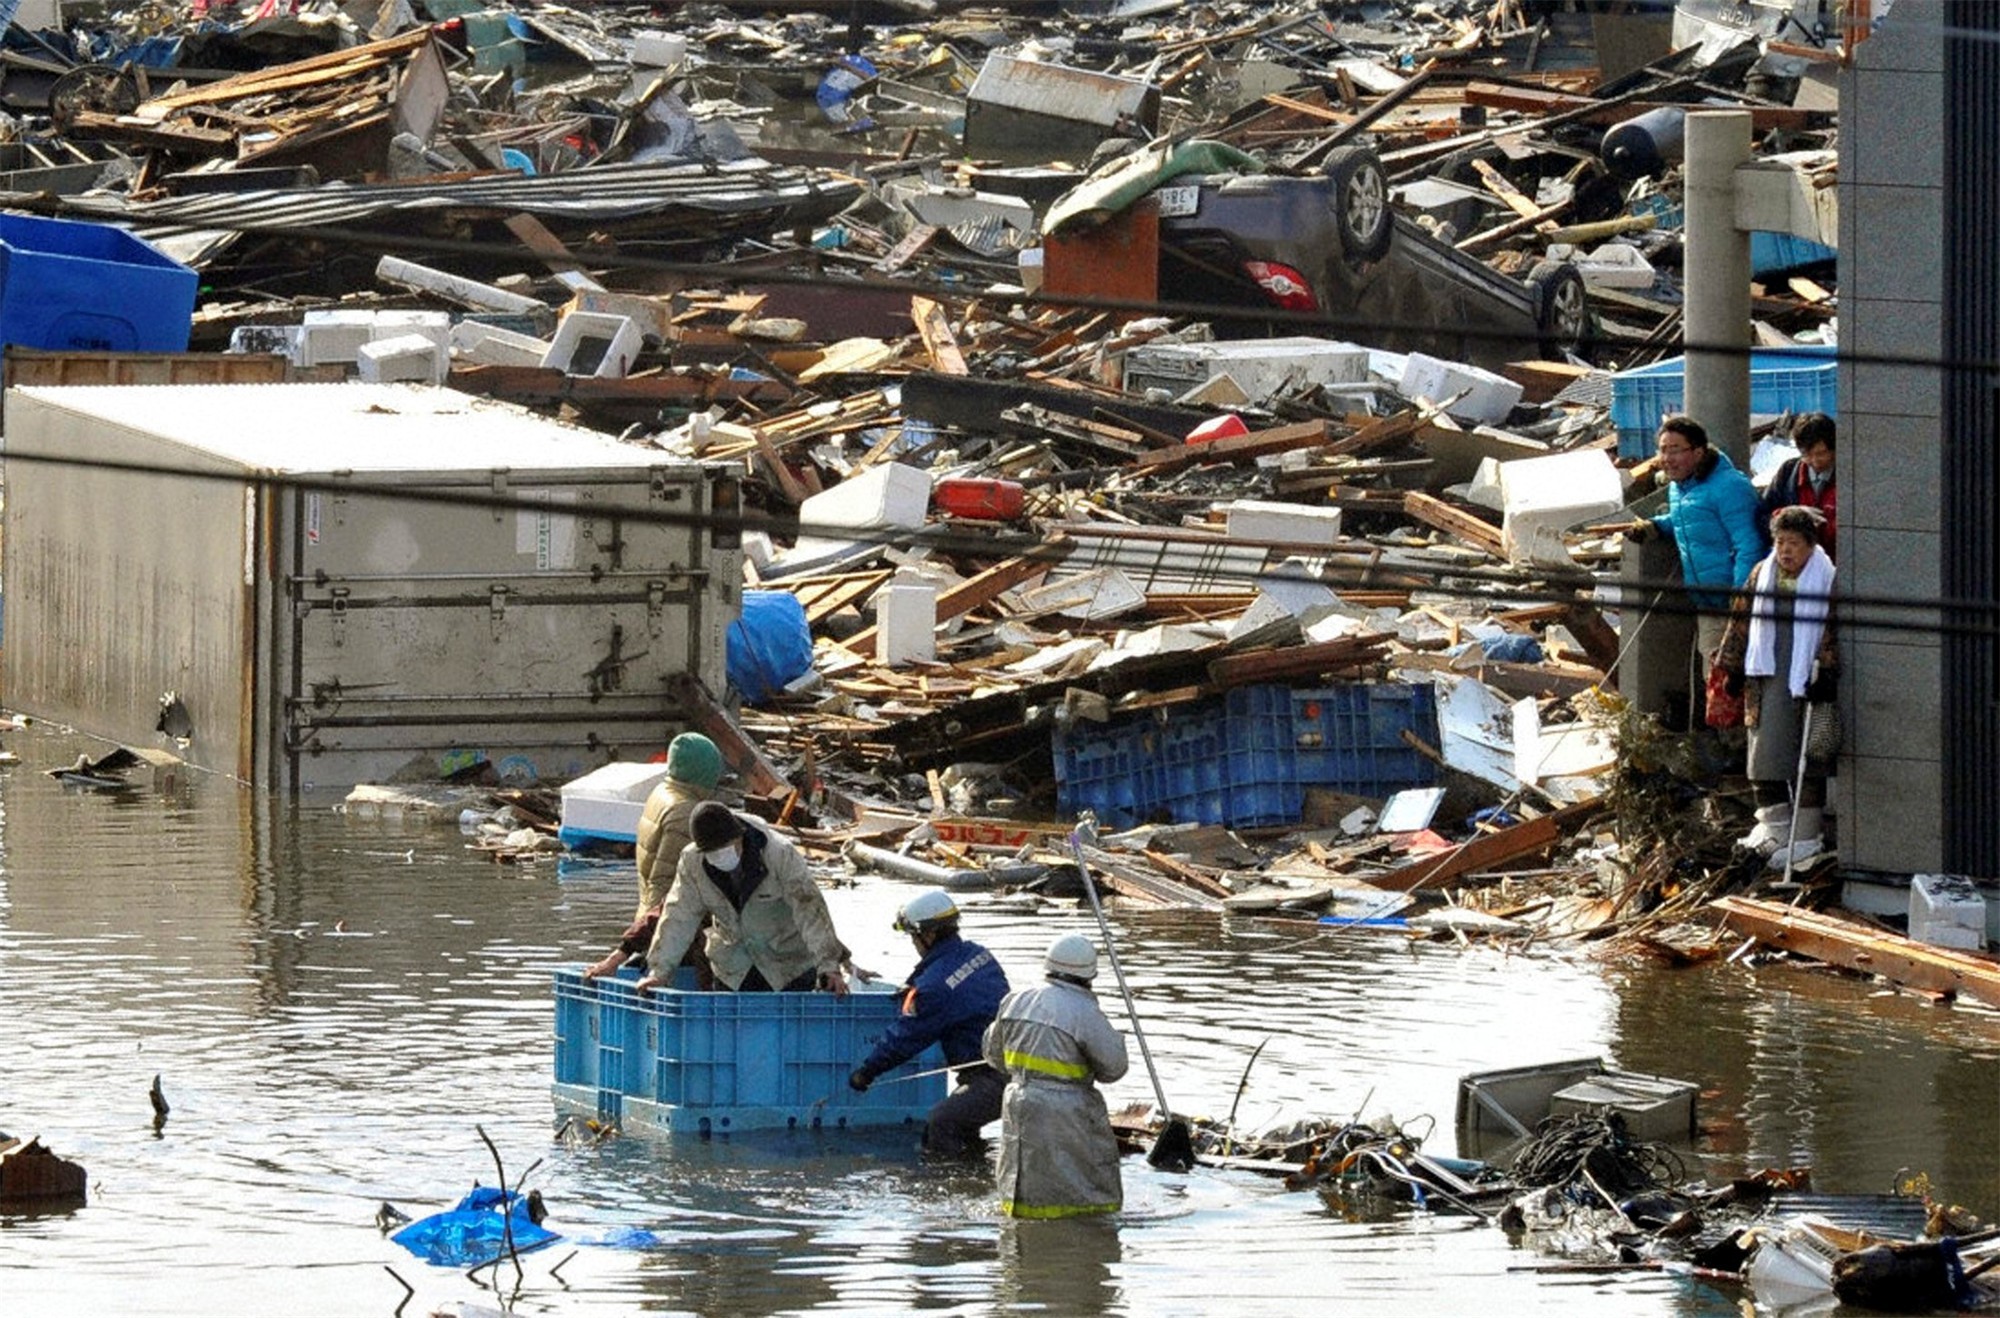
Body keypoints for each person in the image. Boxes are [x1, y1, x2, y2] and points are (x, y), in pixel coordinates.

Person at [1715, 505, 1838, 866]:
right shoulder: (1761, 573)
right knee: (1764, 752)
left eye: (1794, 543)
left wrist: (1828, 674)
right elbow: (1740, 620)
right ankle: (1775, 825)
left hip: (1805, 679)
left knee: (1807, 754)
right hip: (1766, 674)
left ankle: (1806, 833)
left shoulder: (1826, 578)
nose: (1786, 551)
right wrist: (1733, 668)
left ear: (1810, 546)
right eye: (1781, 542)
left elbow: (1834, 632)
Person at [847, 889, 1010, 1158]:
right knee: (961, 1125)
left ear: (929, 934)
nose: (913, 943)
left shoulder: (934, 989)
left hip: (993, 1078)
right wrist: (915, 987)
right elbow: (952, 983)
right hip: (1014, 1067)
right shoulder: (980, 955)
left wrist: (866, 1072)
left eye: (914, 936)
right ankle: (976, 1168)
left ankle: (954, 1189)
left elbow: (905, 1038)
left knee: (941, 1124)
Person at [981, 934, 1129, 1219]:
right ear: (1089, 976)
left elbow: (993, 1055)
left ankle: (1024, 1241)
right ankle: (1084, 1238)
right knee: (1087, 1183)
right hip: (1068, 1108)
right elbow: (1114, 1069)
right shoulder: (1084, 1011)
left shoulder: (1015, 1000)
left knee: (1021, 1173)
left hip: (1018, 1099)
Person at [635, 802, 849, 995]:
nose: (719, 856)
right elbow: (678, 915)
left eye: (725, 848)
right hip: (733, 969)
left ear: (740, 836)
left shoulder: (779, 854)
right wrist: (659, 972)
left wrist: (829, 967)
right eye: (712, 852)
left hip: (789, 965)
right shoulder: (692, 862)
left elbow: (810, 910)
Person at [1629, 414, 1767, 688]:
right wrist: (1655, 527)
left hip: (1734, 604)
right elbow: (1690, 521)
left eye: (1675, 450)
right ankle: (1722, 733)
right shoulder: (1680, 489)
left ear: (1698, 452)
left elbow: (1749, 544)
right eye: (1663, 450)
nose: (1667, 458)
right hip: (1706, 603)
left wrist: (1739, 599)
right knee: (1715, 684)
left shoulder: (1729, 486)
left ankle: (1745, 733)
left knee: (1742, 683)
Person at [582, 733, 723, 981]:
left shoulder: (661, 793)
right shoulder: (685, 813)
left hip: (648, 915)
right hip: (670, 924)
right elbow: (675, 887)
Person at [1761, 412, 1837, 559]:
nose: (1814, 461)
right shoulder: (1788, 472)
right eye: (1807, 455)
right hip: (1795, 567)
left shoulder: (1853, 476)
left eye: (1821, 454)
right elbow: (1763, 516)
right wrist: (1791, 515)